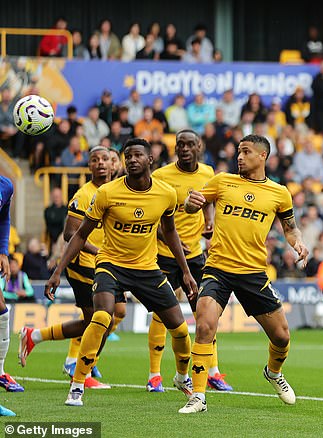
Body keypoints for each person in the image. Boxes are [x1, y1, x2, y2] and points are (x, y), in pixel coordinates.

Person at [44, 138, 197, 407]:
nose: (132, 160)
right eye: (128, 156)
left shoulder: (166, 193)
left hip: (147, 268)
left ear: (150, 160)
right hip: (110, 265)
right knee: (102, 316)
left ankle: (182, 377)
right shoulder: (107, 193)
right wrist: (58, 271)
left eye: (138, 155)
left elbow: (170, 232)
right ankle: (77, 384)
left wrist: (185, 271)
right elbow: (79, 235)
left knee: (181, 330)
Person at [179, 134, 309, 413]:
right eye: (238, 151)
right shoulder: (222, 181)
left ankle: (273, 373)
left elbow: (289, 228)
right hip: (218, 268)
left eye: (246, 151)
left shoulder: (279, 192)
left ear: (262, 156)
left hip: (253, 273)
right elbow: (194, 205)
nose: (239, 156)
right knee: (204, 326)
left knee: (282, 337)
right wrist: (191, 203)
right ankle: (198, 396)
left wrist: (297, 241)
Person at [19, 147, 121, 388]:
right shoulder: (84, 195)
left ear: (114, 164)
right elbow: (69, 233)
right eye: (95, 160)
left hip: (105, 265)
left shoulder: (115, 192)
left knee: (99, 321)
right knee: (101, 321)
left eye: (105, 159)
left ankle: (35, 336)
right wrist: (98, 252)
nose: (101, 164)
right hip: (83, 265)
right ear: (89, 166)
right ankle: (82, 373)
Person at [147, 129, 232, 392]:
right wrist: (168, 239)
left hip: (195, 254)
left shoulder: (208, 173)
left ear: (199, 147)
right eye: (179, 144)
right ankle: (154, 375)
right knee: (162, 314)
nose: (183, 149)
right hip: (165, 254)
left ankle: (213, 372)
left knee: (205, 314)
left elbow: (208, 200)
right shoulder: (161, 176)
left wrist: (209, 221)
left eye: (189, 144)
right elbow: (152, 215)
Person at [0, 176, 24, 399]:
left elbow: (4, 219)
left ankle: (0, 371)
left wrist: (3, 252)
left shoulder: (5, 186)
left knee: (1, 310)